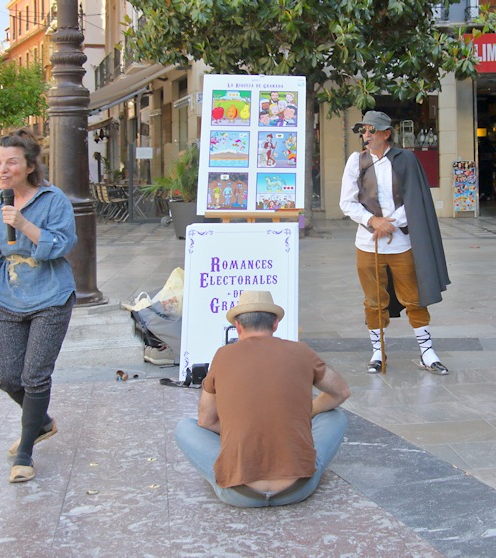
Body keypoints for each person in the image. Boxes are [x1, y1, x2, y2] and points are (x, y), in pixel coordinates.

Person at [0, 129, 77, 483]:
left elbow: (62, 244)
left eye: (11, 162)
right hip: (10, 298)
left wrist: (23, 224)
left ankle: (26, 452)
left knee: (34, 375)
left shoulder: (53, 200)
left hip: (51, 296)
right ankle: (41, 423)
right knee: (8, 377)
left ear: (29, 166)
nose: (2, 169)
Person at [174, 291, 351, 507]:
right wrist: (303, 416)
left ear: (238, 327)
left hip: (239, 492)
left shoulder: (223, 355)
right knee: (335, 417)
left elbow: (206, 421)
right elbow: (341, 392)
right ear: (275, 324)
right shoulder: (301, 351)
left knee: (185, 427)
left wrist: (241, 429)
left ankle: (234, 466)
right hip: (297, 488)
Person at [339, 110, 450, 375]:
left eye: (371, 130)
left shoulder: (406, 159)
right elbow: (347, 202)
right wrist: (372, 221)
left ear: (386, 133)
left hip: (401, 242)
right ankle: (378, 352)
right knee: (374, 300)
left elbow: (415, 198)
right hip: (368, 244)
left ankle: (427, 351)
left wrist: (390, 222)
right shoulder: (357, 161)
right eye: (363, 130)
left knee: (413, 297)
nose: (366, 135)